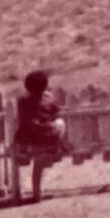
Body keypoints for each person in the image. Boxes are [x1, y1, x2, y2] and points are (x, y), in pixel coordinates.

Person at [12, 70, 69, 203]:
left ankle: (36, 194)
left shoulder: (22, 102)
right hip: (47, 139)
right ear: (45, 86)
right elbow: (57, 112)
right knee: (60, 122)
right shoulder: (49, 100)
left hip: (28, 142)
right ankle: (61, 144)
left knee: (38, 162)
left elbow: (22, 113)